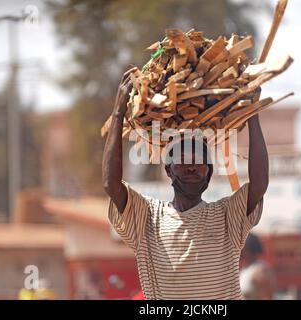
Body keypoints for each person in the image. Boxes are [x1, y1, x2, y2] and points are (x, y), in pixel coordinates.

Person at [102, 67, 269, 299]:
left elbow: (259, 184)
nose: (191, 166)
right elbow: (111, 184)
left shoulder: (227, 216)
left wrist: (252, 113)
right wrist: (119, 112)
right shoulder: (147, 217)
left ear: (209, 172)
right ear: (169, 169)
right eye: (182, 160)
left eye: (199, 161)